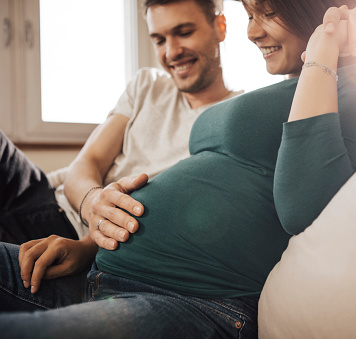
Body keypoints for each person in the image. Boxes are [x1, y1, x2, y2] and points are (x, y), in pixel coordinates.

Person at [0, 0, 356, 337]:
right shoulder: (290, 90)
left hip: (187, 301)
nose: (253, 32)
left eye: (267, 12)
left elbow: (304, 206)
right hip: (94, 271)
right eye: (250, 15)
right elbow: (193, 177)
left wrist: (324, 50)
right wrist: (88, 244)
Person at [0, 0, 239, 249]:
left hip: (73, 238)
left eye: (184, 33)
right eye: (159, 40)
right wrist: (93, 204)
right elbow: (86, 163)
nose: (171, 52)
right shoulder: (147, 84)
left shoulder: (238, 118)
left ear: (220, 26)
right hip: (48, 196)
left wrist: (93, 234)